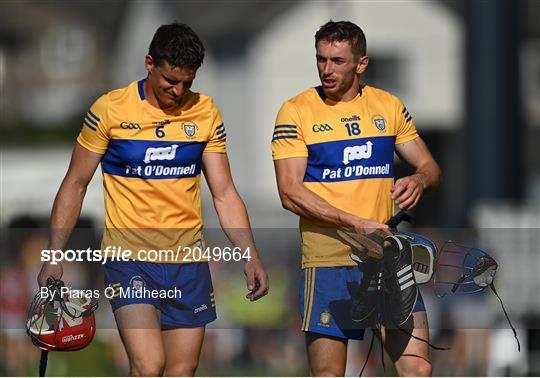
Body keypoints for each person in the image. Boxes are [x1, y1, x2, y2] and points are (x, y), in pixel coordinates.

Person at [38, 22, 269, 377]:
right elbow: (76, 183)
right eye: (170, 81)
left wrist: (249, 254)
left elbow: (223, 193)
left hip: (187, 259)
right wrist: (55, 255)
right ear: (149, 63)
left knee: (181, 369)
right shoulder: (110, 109)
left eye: (187, 83)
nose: (178, 92)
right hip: (128, 258)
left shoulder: (205, 113)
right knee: (149, 366)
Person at [272, 21, 441, 376]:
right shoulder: (296, 110)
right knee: (330, 374)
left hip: (386, 258)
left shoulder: (388, 106)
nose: (326, 69)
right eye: (321, 59)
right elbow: (289, 192)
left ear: (361, 64)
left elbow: (430, 166)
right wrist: (355, 223)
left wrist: (419, 179)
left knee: (418, 369)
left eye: (337, 60)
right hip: (327, 260)